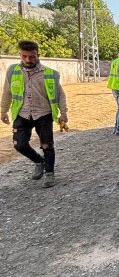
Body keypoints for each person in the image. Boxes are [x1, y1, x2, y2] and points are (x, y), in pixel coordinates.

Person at [0, 39, 68, 188]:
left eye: (32, 56)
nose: (28, 60)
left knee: (47, 146)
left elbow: (60, 94)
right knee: (19, 145)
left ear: (38, 55)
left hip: (43, 115)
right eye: (24, 56)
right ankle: (39, 161)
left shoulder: (50, 74)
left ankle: (49, 173)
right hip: (22, 114)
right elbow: (7, 92)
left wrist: (63, 113)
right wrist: (3, 110)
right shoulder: (13, 71)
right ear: (20, 54)